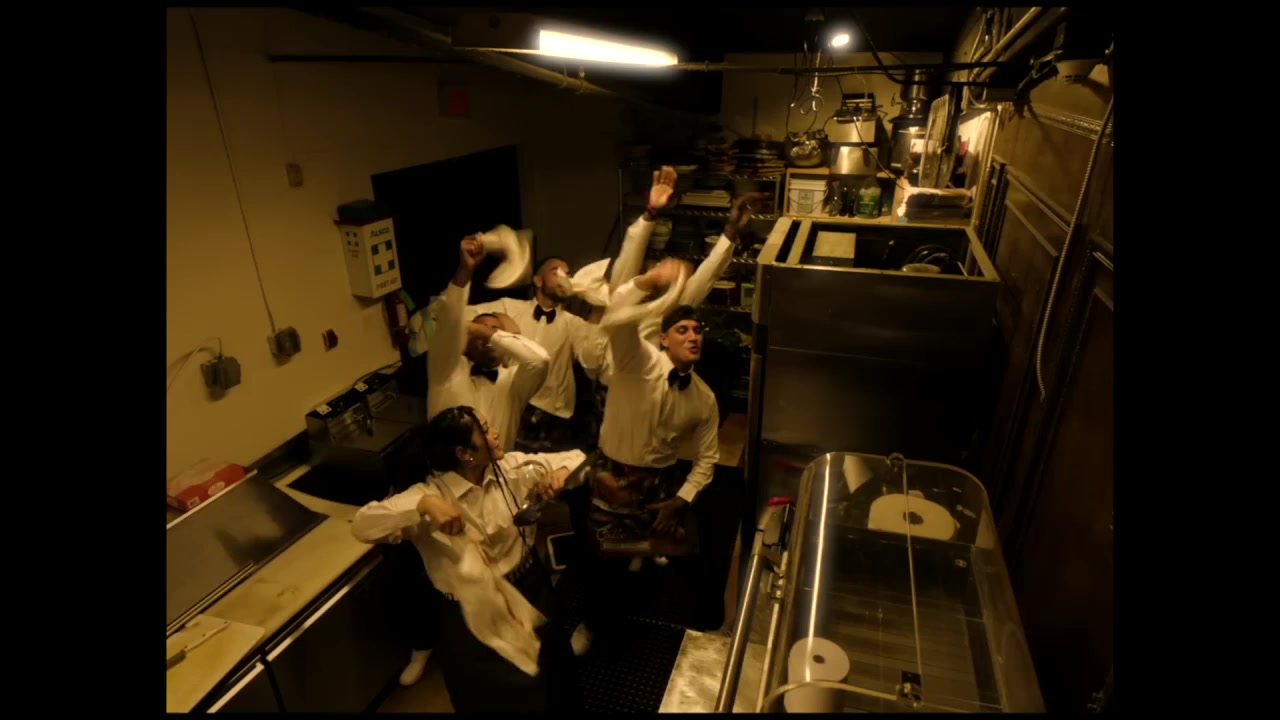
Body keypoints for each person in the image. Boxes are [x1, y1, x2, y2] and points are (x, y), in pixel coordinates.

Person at [350, 406, 587, 713]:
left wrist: (560, 474)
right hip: (470, 613)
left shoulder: (511, 468)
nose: (495, 434)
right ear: (465, 453)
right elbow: (362, 525)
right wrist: (423, 505)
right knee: (490, 700)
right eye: (486, 431)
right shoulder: (428, 494)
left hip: (530, 589)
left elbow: (576, 457)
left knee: (555, 682)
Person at [584, 258, 721, 579]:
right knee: (603, 565)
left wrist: (681, 500)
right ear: (663, 339)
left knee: (657, 567)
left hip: (661, 485)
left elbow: (707, 459)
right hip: (612, 477)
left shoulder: (704, 397)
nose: (693, 337)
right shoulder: (636, 361)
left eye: (698, 331)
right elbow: (618, 317)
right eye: (683, 330)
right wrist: (647, 280)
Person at [465, 256, 606, 452]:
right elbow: (463, 316)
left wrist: (598, 309)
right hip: (512, 403)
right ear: (538, 280)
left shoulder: (574, 324)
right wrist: (499, 318)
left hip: (552, 415)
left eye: (567, 274)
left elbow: (592, 362)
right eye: (556, 272)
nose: (564, 277)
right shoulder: (509, 307)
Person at [428, 236, 552, 451]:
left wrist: (482, 332)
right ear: (467, 346)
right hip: (448, 470)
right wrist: (465, 270)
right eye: (479, 336)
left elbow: (540, 360)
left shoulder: (513, 383)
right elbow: (449, 319)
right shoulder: (447, 371)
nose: (487, 340)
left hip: (500, 468)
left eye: (494, 333)